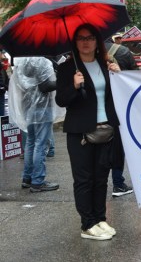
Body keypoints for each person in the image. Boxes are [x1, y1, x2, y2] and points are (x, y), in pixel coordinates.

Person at [55, 23, 122, 241]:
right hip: (81, 131)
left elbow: (117, 96)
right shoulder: (67, 68)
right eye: (81, 38)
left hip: (106, 128)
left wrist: (119, 76)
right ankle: (87, 224)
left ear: (97, 41)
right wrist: (74, 87)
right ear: (75, 42)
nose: (86, 42)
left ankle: (100, 218)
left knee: (101, 178)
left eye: (90, 37)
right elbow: (61, 100)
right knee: (84, 179)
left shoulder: (106, 64)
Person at [9, 57, 59, 192]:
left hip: (27, 106)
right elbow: (46, 86)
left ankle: (27, 178)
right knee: (40, 144)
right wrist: (62, 80)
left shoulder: (21, 62)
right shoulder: (43, 62)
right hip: (42, 108)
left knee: (30, 142)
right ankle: (38, 181)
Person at [104, 38, 135, 197]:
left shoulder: (86, 55)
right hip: (119, 105)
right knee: (117, 145)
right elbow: (135, 77)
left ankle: (100, 185)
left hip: (97, 107)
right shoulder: (123, 51)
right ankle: (118, 182)